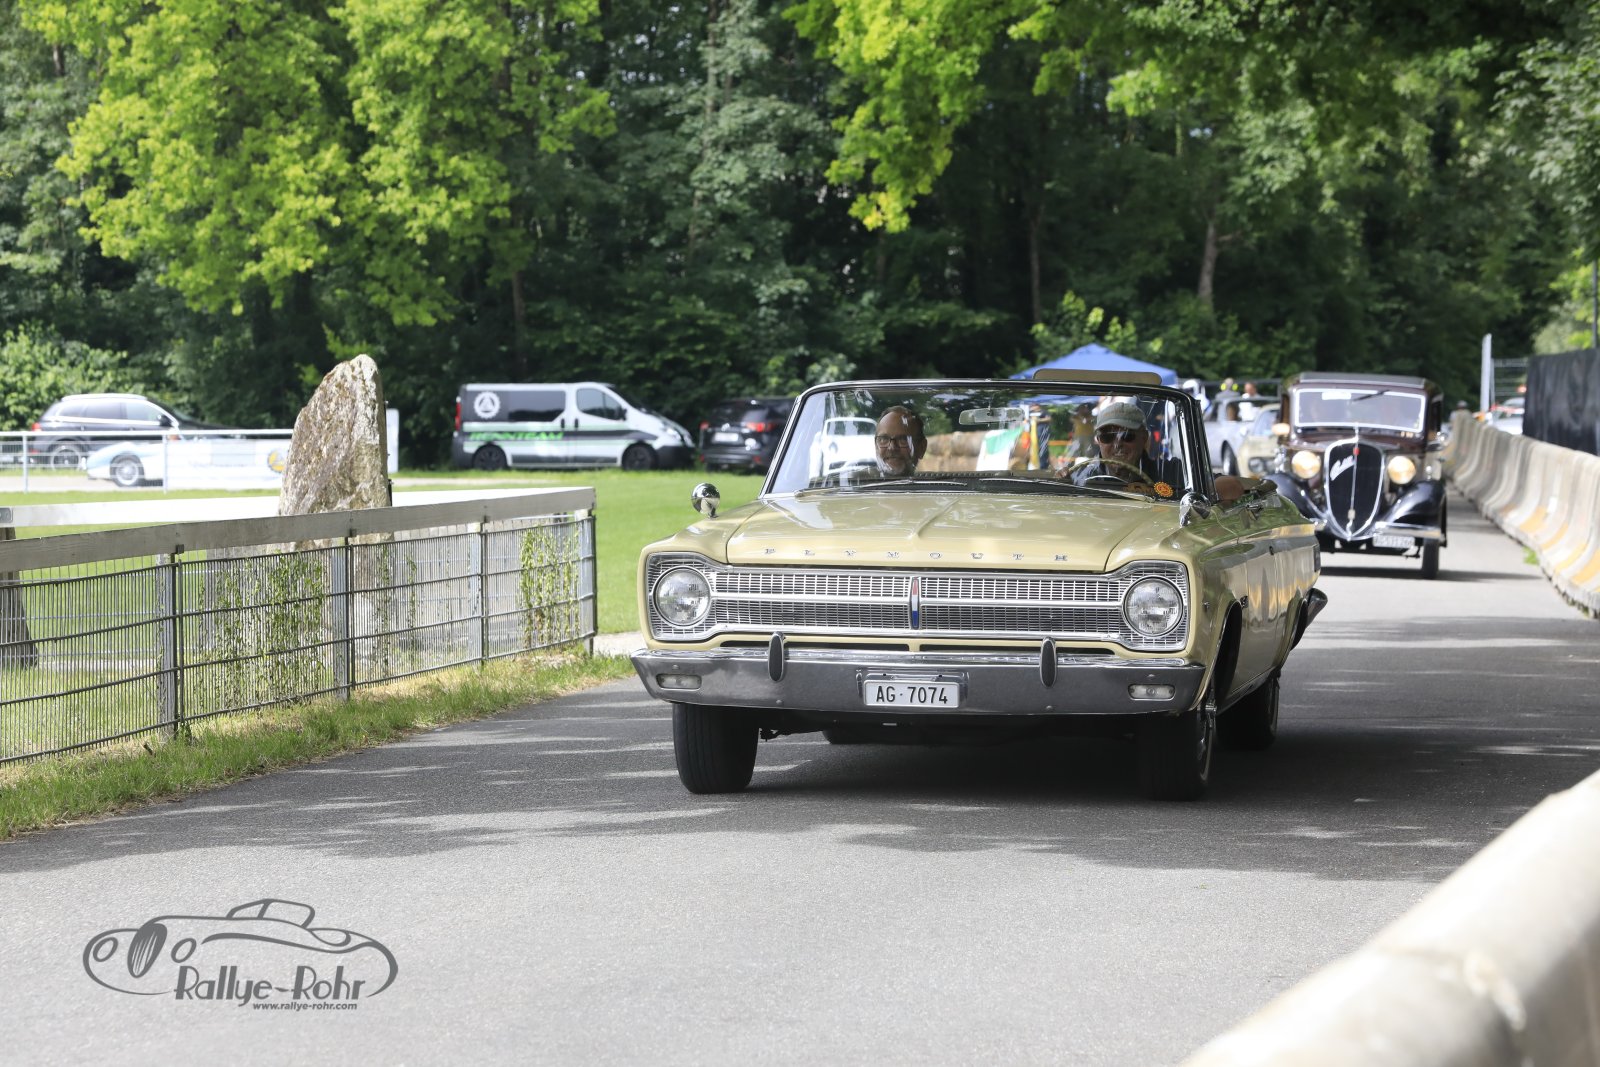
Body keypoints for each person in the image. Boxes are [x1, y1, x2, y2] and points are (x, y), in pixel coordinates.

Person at [1062, 402, 1181, 490]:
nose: (1117, 444)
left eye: (1127, 435)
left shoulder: (1171, 474)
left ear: (1144, 438)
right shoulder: (1079, 478)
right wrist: (1062, 486)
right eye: (1107, 437)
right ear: (1098, 440)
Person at [870, 405, 926, 476]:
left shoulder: (936, 483)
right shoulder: (858, 481)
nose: (892, 447)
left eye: (903, 439)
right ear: (876, 446)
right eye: (884, 439)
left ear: (921, 448)